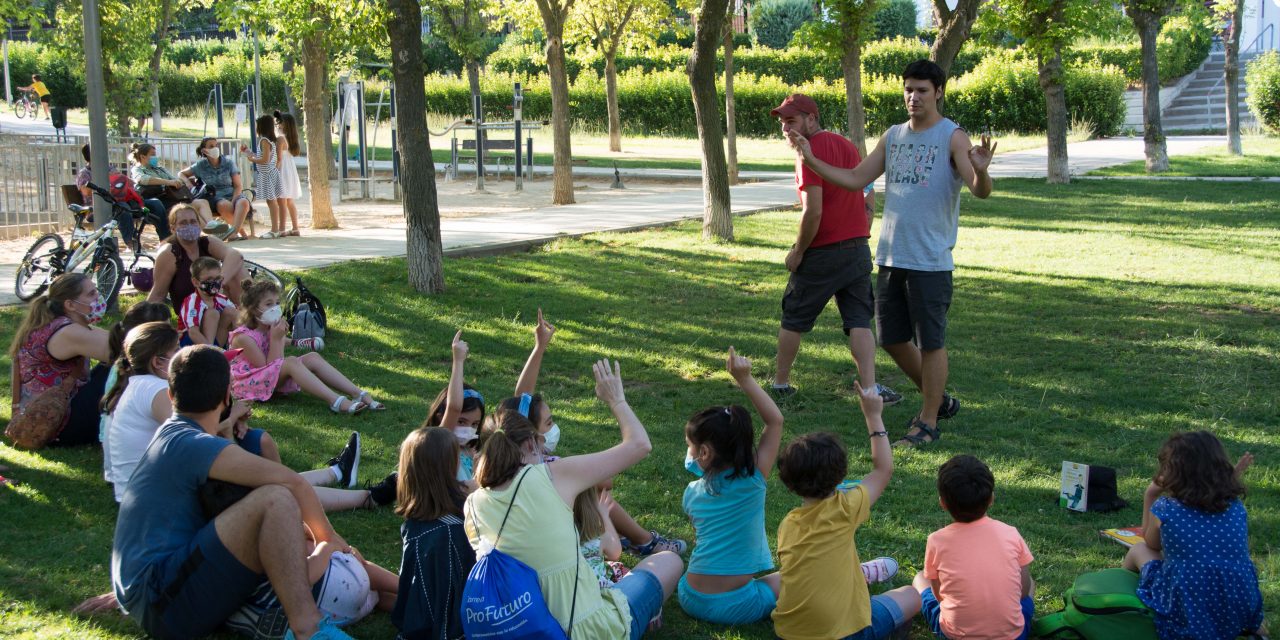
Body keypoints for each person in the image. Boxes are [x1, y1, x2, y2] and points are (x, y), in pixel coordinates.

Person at [789, 59, 996, 447]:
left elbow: (979, 189)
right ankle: (941, 399)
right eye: (908, 89)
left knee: (931, 342)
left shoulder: (953, 137)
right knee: (892, 338)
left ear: (938, 92)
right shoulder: (894, 136)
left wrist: (982, 171)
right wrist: (811, 159)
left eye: (921, 90)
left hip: (930, 259)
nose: (913, 97)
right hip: (890, 256)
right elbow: (854, 178)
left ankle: (928, 419)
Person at [109, 344, 356, 640]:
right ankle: (309, 628)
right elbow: (293, 483)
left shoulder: (173, 434)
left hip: (154, 594)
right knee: (275, 499)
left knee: (269, 502)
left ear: (172, 395)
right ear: (227, 397)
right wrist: (328, 540)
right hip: (162, 602)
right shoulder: (193, 444)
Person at [465, 360, 682, 639]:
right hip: (588, 630)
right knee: (669, 561)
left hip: (518, 628)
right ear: (532, 444)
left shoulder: (472, 504)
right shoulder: (552, 475)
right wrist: (616, 399)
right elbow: (640, 444)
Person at [768, 93, 900, 408]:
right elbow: (866, 189)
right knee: (859, 320)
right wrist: (863, 221)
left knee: (794, 317)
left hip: (822, 252)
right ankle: (870, 389)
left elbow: (813, 211)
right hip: (856, 249)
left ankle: (780, 384)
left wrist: (799, 252)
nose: (786, 128)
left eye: (792, 120)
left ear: (811, 119)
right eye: (783, 122)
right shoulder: (847, 146)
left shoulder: (807, 153)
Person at [772, 382, 921, 640]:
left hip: (789, 633)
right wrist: (873, 415)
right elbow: (882, 469)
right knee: (910, 595)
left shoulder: (788, 523)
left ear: (789, 483)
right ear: (841, 474)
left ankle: (863, 576)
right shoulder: (846, 507)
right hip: (845, 633)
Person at [678, 347, 784, 625]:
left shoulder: (691, 495)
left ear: (704, 454)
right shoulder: (753, 480)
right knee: (800, 574)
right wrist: (744, 379)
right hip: (738, 605)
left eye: (689, 446)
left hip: (689, 595)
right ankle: (858, 572)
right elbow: (775, 421)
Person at [1122, 432, 1263, 640]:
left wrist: (1150, 494)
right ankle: (1257, 631)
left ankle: (1121, 601)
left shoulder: (1166, 508)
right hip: (1240, 603)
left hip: (1187, 606)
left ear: (1174, 473)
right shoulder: (1235, 506)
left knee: (1138, 550)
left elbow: (1151, 544)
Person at [910, 454, 1035, 640]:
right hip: (1012, 635)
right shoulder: (1010, 533)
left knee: (920, 578)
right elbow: (1023, 591)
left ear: (942, 502)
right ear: (991, 498)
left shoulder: (936, 540)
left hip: (955, 635)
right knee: (1031, 581)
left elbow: (939, 596)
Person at [228, 279, 384, 414]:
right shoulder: (243, 337)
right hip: (250, 384)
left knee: (312, 357)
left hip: (267, 377)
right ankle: (335, 401)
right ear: (254, 309)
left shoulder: (269, 327)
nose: (275, 308)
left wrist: (280, 338)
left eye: (276, 303)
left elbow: (274, 367)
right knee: (291, 362)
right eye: (268, 304)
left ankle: (358, 393)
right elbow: (268, 368)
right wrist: (277, 339)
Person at [392, 426, 477, 640]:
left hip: (414, 619)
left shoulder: (415, 522)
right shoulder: (452, 532)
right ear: (448, 467)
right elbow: (449, 601)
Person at [10, 273, 111, 447]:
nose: (98, 297)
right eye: (91, 294)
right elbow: (126, 350)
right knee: (119, 368)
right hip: (56, 423)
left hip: (40, 415)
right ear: (70, 305)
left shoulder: (55, 324)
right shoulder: (68, 332)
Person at [147, 203, 250, 313]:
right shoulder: (169, 253)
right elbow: (158, 294)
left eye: (193, 221)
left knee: (237, 270)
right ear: (173, 228)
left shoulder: (207, 242)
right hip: (192, 313)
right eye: (183, 223)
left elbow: (236, 256)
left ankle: (250, 316)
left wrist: (218, 282)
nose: (189, 226)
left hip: (215, 304)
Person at [128, 141, 212, 229]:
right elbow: (142, 179)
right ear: (142, 156)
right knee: (190, 209)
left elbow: (174, 180)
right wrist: (167, 182)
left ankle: (212, 226)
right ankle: (210, 231)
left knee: (202, 202)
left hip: (172, 198)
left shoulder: (160, 169)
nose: (155, 157)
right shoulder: (137, 169)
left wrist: (179, 182)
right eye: (152, 154)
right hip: (157, 201)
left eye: (155, 154)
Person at [182, 137, 253, 240]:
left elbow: (238, 186)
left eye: (216, 145)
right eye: (211, 146)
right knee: (224, 205)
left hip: (232, 194)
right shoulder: (200, 165)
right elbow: (181, 174)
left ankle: (233, 233)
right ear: (204, 150)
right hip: (214, 197)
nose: (215, 148)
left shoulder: (228, 163)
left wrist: (234, 200)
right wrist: (189, 184)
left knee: (243, 202)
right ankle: (238, 233)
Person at [75, 144, 137, 247]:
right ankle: (130, 242)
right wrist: (103, 179)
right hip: (95, 209)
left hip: (114, 202)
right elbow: (86, 192)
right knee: (123, 209)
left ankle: (135, 239)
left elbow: (123, 180)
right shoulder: (84, 173)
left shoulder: (109, 168)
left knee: (138, 206)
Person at [575, 486, 631, 588]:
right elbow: (615, 553)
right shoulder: (597, 537)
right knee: (624, 571)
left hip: (570, 594)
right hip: (600, 592)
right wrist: (604, 517)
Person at [241, 115, 285, 239]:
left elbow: (264, 159)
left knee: (271, 201)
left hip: (267, 174)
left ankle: (275, 229)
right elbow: (266, 157)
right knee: (271, 201)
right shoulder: (270, 140)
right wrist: (250, 153)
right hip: (271, 173)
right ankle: (275, 228)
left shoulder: (264, 140)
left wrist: (252, 159)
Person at [178, 256, 237, 346]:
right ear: (196, 282)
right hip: (190, 345)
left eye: (217, 278)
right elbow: (193, 332)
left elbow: (237, 317)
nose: (215, 283)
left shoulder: (221, 299)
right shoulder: (192, 302)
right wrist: (210, 350)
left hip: (213, 342)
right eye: (209, 279)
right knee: (212, 313)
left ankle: (244, 346)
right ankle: (211, 353)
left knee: (231, 311)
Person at [274, 110, 303, 237]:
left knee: (281, 201)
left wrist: (273, 170)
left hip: (282, 170)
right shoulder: (291, 139)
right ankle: (295, 227)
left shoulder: (280, 139)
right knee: (289, 200)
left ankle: (281, 229)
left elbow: (278, 158)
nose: (277, 124)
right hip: (290, 171)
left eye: (279, 122)